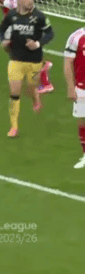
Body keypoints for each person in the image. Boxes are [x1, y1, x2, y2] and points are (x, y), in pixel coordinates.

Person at [0, 0, 54, 94]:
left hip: (22, 20)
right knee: (12, 47)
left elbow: (15, 4)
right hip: (12, 19)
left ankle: (45, 78)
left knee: (21, 47)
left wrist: (0, 1)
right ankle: (40, 68)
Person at [0, 0, 53, 138]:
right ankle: (14, 127)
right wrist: (3, 40)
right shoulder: (11, 15)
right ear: (19, 0)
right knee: (14, 93)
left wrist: (37, 44)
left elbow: (50, 33)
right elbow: (2, 30)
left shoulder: (39, 16)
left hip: (34, 61)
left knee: (30, 88)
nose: (30, 0)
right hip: (15, 60)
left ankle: (35, 98)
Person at [63, 25, 85, 168]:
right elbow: (68, 62)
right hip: (82, 88)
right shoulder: (76, 37)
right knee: (82, 121)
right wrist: (71, 87)